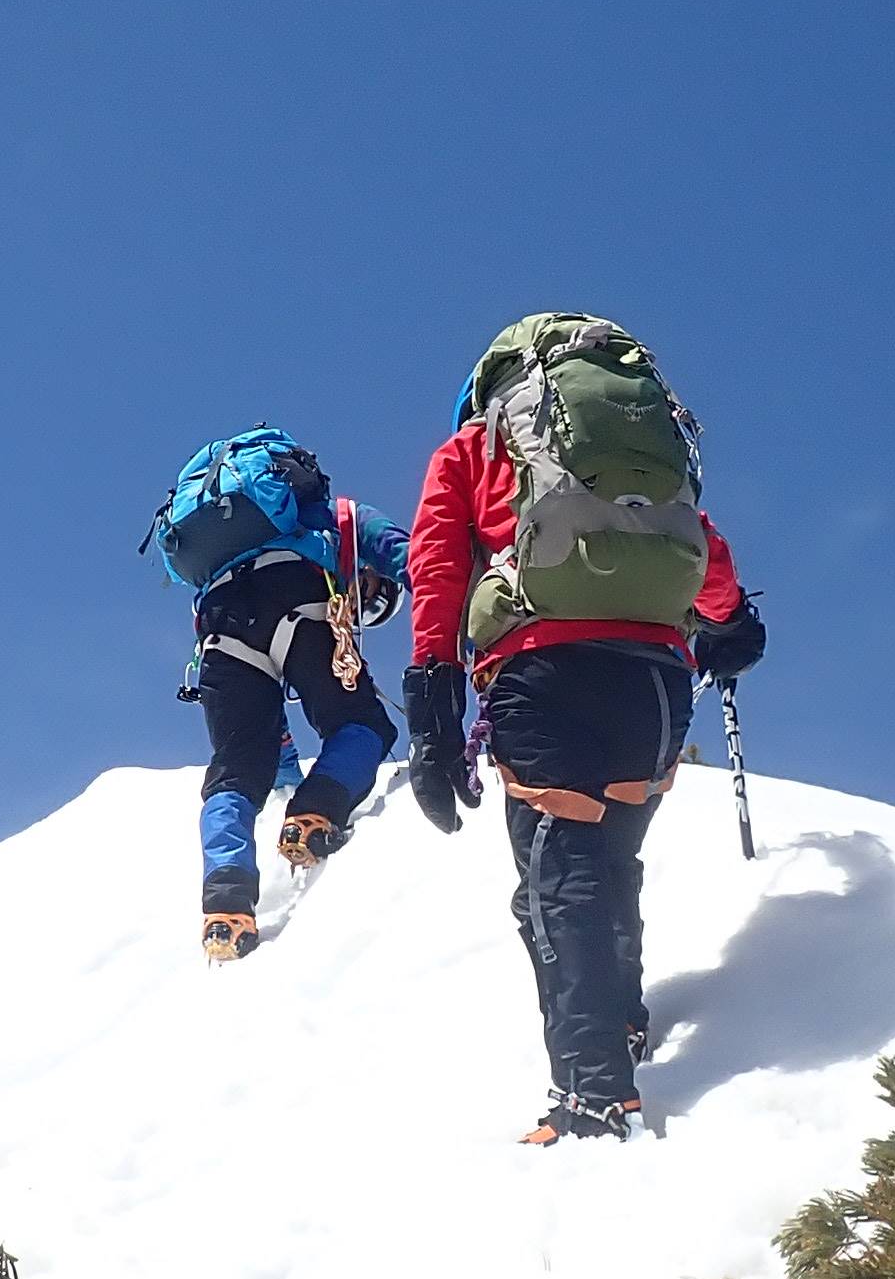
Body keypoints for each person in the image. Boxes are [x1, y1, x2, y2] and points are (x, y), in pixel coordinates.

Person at [402, 313, 764, 1145]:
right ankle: (621, 1026)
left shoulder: (473, 449)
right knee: (608, 860)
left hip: (544, 674)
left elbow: (437, 566)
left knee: (557, 879)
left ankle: (593, 1096)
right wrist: (732, 623)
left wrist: (432, 705)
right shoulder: (644, 455)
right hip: (656, 682)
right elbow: (700, 545)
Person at [149, 427, 409, 962]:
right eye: (371, 600)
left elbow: (270, 737)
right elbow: (407, 553)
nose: (360, 610)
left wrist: (286, 772)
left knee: (237, 769)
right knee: (363, 724)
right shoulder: (338, 516)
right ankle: (317, 814)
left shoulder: (244, 531)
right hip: (297, 602)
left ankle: (226, 902)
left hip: (220, 627)